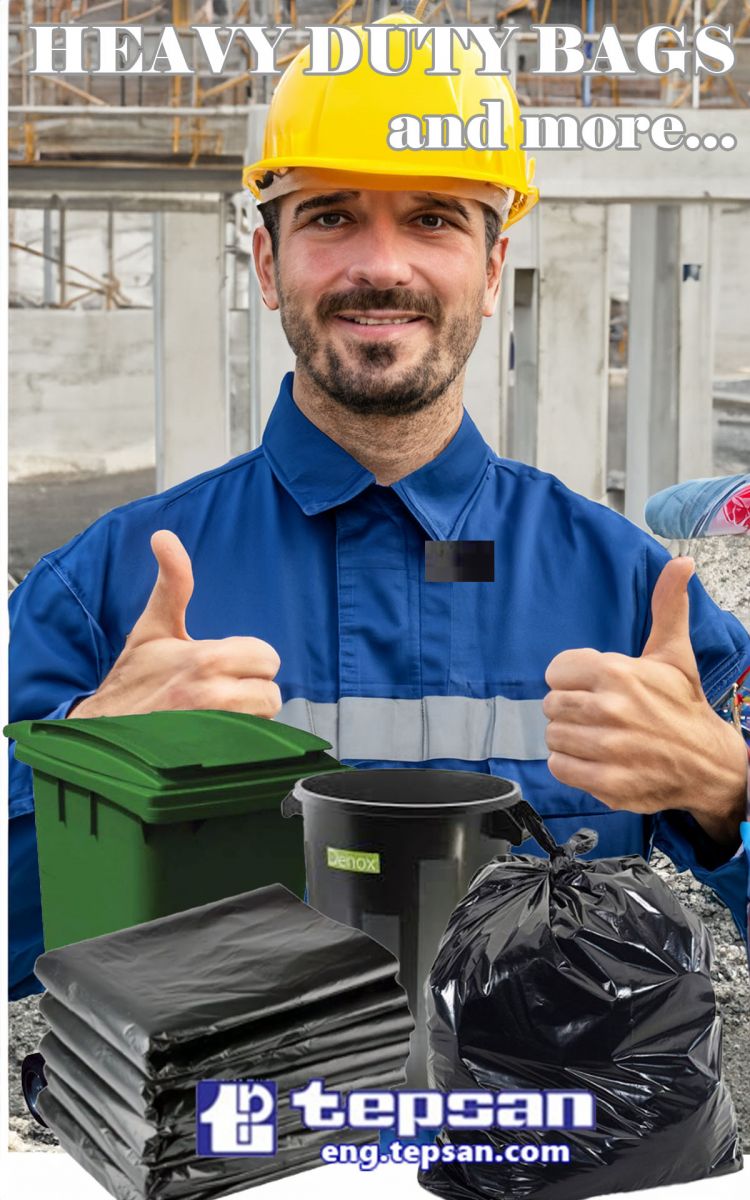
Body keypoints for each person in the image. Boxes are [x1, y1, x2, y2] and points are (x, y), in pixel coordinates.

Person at [9, 13, 750, 999]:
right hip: (239, 1145)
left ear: (492, 271)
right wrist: (90, 782)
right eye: (330, 216)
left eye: (435, 217)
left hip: (542, 1143)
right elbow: (22, 964)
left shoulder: (628, 587)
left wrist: (730, 794)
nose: (383, 265)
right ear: (268, 265)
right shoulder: (101, 593)